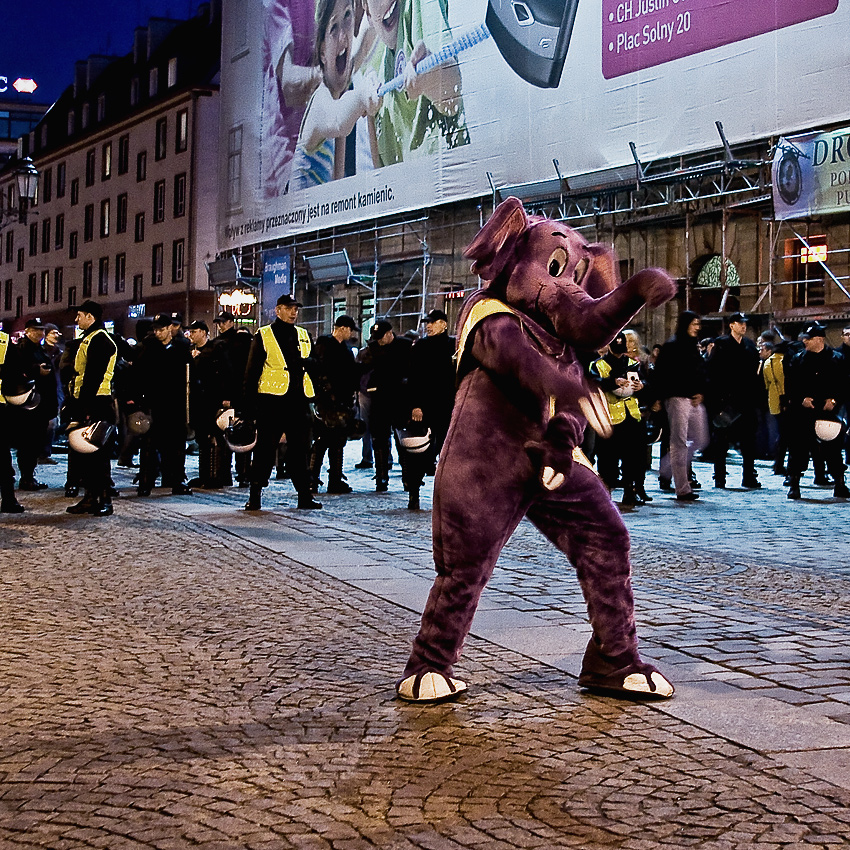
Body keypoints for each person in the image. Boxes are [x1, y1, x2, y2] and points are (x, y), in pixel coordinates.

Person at [363, 0, 469, 166]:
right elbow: (378, 173)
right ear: (368, 12)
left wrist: (430, 78)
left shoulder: (419, 4)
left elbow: (452, 98)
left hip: (449, 181)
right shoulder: (373, 68)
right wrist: (369, 115)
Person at [243, 294, 322, 510]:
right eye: (289, 308)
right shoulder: (264, 334)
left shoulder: (304, 334)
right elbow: (251, 373)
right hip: (272, 402)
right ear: (278, 310)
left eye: (296, 308)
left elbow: (316, 366)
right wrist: (248, 411)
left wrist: (310, 365)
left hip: (299, 402)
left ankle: (304, 496)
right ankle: (255, 495)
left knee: (301, 451)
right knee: (264, 451)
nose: (294, 312)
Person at [291, 0, 381, 189]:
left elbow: (364, 45)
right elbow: (338, 120)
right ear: (322, 52)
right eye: (333, 28)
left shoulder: (339, 84)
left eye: (348, 15)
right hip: (301, 217)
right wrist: (364, 95)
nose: (342, 37)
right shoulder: (320, 101)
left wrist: (374, 10)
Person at [261, 0, 321, 197]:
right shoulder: (276, 5)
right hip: (283, 157)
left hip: (311, 147)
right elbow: (289, 87)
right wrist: (326, 76)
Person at [784, 322, 849, 500]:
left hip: (828, 412)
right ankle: (794, 483)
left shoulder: (837, 359)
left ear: (819, 339)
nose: (805, 341)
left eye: (809, 339)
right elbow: (790, 385)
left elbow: (845, 385)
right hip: (803, 412)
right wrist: (800, 399)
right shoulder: (798, 359)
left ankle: (840, 483)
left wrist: (834, 400)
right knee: (798, 448)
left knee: (833, 450)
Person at [65, 300, 118, 516]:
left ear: (90, 317)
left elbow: (94, 377)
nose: (76, 320)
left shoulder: (100, 340)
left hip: (97, 403)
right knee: (85, 454)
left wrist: (83, 408)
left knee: (99, 454)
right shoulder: (89, 338)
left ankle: (104, 499)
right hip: (87, 401)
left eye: (79, 315)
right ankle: (89, 497)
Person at [590, 331, 651, 507]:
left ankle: (630, 490)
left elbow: (647, 383)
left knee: (634, 456)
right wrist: (612, 382)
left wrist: (642, 387)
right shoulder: (598, 365)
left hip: (632, 416)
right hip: (610, 418)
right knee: (607, 457)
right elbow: (593, 383)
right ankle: (606, 490)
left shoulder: (633, 364)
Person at [135, 314, 194, 497]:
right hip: (154, 402)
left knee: (176, 444)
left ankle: (175, 480)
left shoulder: (181, 346)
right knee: (150, 444)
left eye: (161, 329)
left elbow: (189, 373)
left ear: (170, 328)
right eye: (156, 330)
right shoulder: (149, 347)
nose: (158, 333)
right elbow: (139, 372)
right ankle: (146, 481)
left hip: (175, 402)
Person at [653, 310, 709, 502]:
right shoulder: (672, 346)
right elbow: (661, 374)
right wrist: (659, 398)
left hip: (694, 399)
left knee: (701, 439)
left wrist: (701, 391)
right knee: (679, 443)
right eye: (694, 323)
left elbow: (700, 371)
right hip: (676, 398)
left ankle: (667, 466)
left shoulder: (693, 346)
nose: (697, 327)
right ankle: (682, 488)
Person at [705, 313, 762, 490]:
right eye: (740, 323)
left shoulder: (750, 346)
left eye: (745, 323)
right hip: (726, 401)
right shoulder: (721, 345)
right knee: (721, 442)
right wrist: (715, 403)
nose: (743, 326)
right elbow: (712, 373)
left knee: (748, 442)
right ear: (731, 325)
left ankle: (748, 476)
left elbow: (755, 375)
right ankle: (720, 477)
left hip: (746, 401)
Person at [358, 319, 412, 491]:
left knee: (402, 440)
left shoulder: (405, 345)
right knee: (379, 438)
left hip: (399, 399)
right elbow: (363, 367)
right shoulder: (373, 348)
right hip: (379, 399)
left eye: (381, 337)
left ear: (390, 334)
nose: (379, 341)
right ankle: (381, 477)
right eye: (376, 338)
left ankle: (408, 477)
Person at [310, 314, 360, 493]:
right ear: (343, 328)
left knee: (338, 442)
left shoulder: (345, 349)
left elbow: (349, 374)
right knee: (322, 440)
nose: (352, 334)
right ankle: (312, 479)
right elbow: (318, 370)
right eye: (350, 330)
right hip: (326, 402)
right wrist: (326, 394)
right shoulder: (325, 344)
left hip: (342, 401)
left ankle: (335, 479)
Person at [11, 318, 59, 491]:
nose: (40, 333)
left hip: (41, 405)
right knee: (28, 443)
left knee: (34, 442)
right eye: (36, 330)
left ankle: (29, 476)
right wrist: (35, 370)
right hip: (30, 406)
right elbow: (16, 371)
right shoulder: (22, 349)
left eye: (41, 330)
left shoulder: (39, 348)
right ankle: (27, 478)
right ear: (28, 331)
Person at [187, 320, 235, 489]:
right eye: (190, 332)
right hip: (198, 401)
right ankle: (204, 475)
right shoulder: (190, 351)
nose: (191, 335)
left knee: (215, 438)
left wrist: (227, 397)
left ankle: (217, 476)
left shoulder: (216, 349)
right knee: (202, 439)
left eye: (194, 332)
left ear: (203, 332)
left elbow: (226, 372)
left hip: (213, 400)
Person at [213, 311, 253, 486]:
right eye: (219, 323)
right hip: (241, 396)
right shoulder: (229, 343)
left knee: (228, 435)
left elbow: (230, 373)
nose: (220, 326)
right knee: (241, 434)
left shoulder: (228, 344)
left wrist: (227, 396)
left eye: (223, 322)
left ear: (231, 322)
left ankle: (228, 474)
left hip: (233, 396)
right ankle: (242, 473)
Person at [0, 325, 26, 513]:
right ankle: (8, 499)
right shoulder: (4, 340)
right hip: (0, 404)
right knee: (2, 454)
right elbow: (16, 372)